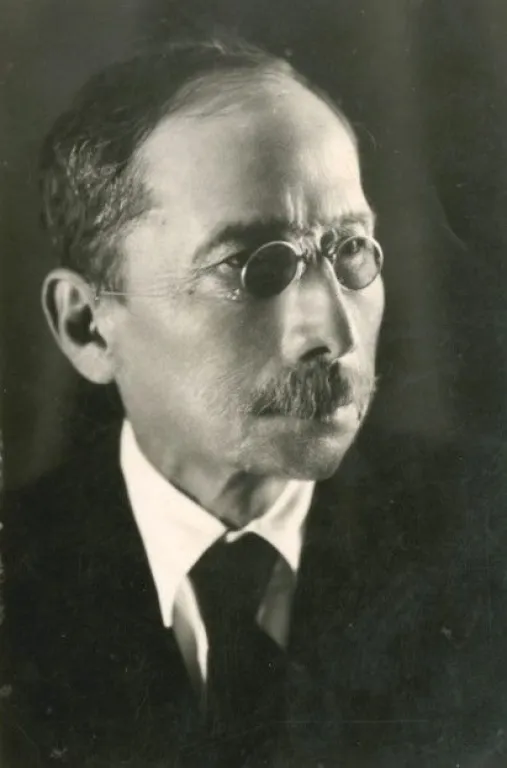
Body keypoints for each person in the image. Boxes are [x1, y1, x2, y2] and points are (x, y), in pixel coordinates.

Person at [1, 37, 506, 768]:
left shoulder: (486, 540)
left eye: (351, 250)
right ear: (88, 326)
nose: (332, 333)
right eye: (252, 268)